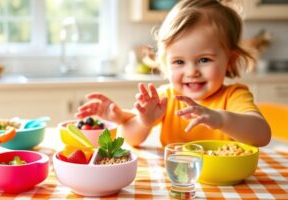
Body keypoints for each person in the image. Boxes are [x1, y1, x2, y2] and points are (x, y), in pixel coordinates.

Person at [75, 0, 271, 147]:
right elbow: (130, 139)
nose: (191, 72)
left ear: (230, 61)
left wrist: (220, 119)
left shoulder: (234, 96)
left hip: (226, 184)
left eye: (204, 60)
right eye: (179, 62)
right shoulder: (166, 97)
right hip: (178, 180)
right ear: (165, 64)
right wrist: (143, 121)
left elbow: (262, 135)